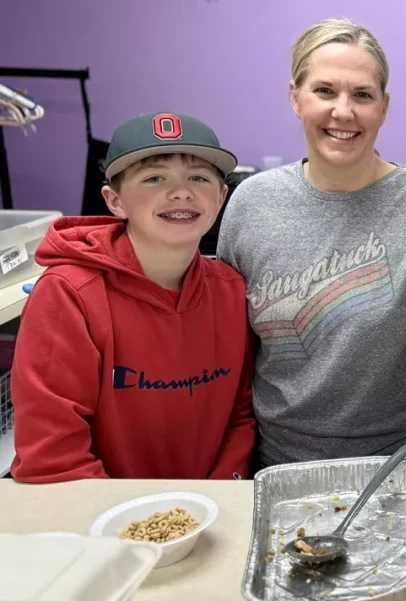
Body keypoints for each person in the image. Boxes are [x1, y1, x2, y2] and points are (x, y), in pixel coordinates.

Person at [216, 18, 406, 496]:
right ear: (295, 98)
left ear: (384, 106)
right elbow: (233, 346)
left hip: (400, 466)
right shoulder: (249, 202)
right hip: (275, 464)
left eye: (362, 95)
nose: (344, 112)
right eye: (324, 91)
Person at [11, 111, 255, 482]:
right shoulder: (68, 295)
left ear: (221, 197)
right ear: (114, 200)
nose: (181, 193)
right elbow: (53, 456)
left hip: (210, 514)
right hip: (101, 526)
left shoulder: (231, 290)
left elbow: (240, 415)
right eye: (154, 178)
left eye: (199, 178)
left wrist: (215, 500)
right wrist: (139, 530)